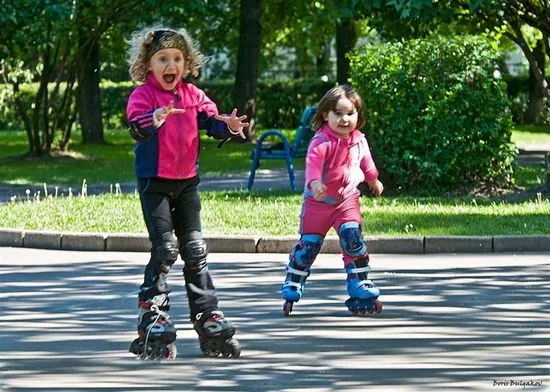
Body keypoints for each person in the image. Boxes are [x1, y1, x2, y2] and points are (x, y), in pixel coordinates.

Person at [125, 25, 247, 358]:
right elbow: (136, 125)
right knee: (165, 248)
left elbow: (212, 120)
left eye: (177, 58)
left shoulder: (193, 96)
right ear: (148, 64)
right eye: (162, 58)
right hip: (155, 183)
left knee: (195, 249)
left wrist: (229, 127)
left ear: (186, 63)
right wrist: (155, 119)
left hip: (187, 182)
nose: (170, 65)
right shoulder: (143, 96)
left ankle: (208, 315)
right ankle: (154, 314)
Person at [281, 85, 384, 317]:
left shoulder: (359, 140)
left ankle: (359, 282)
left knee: (352, 237)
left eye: (350, 113)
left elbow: (366, 162)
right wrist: (315, 183)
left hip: (347, 200)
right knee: (309, 246)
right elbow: (313, 165)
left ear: (358, 115)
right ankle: (294, 279)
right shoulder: (321, 141)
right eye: (338, 113)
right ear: (325, 115)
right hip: (318, 204)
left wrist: (373, 180)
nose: (344, 119)